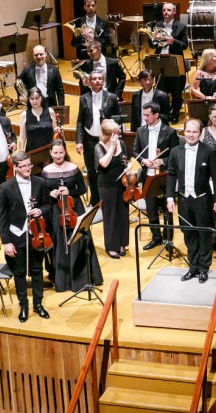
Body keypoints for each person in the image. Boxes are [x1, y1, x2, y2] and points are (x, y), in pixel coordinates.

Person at [166, 119, 216, 282]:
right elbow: (171, 175)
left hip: (202, 200)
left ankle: (204, 268)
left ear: (200, 133)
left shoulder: (209, 151)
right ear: (184, 132)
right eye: (188, 131)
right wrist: (170, 197)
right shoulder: (175, 151)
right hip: (184, 200)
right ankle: (193, 267)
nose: (191, 135)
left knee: (204, 234)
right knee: (189, 234)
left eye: (194, 132)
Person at [0, 151, 51, 321]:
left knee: (37, 269)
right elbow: (2, 217)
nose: (28, 169)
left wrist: (40, 210)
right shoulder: (6, 187)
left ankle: (38, 304)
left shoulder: (40, 182)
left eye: (29, 165)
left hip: (36, 233)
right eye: (24, 166)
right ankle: (23, 306)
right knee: (19, 272)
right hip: (16, 234)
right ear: (16, 167)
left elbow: (48, 205)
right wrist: (6, 242)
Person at [43, 140, 101, 292]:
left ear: (65, 152)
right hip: (56, 211)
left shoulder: (73, 169)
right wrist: (50, 193)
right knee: (59, 241)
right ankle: (62, 281)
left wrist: (70, 192)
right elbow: (42, 192)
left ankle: (81, 279)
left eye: (61, 152)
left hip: (74, 209)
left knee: (78, 240)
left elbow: (82, 189)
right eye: (55, 153)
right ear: (50, 153)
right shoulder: (46, 171)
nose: (58, 156)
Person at [136, 101, 180, 250]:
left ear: (156, 115)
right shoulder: (140, 131)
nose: (145, 118)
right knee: (151, 209)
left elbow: (176, 154)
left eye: (147, 115)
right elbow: (136, 151)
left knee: (167, 209)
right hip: (148, 176)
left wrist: (163, 161)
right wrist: (143, 160)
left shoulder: (170, 132)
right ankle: (156, 237)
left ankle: (168, 239)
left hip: (164, 176)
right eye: (143, 115)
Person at [75, 70, 122, 205]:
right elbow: (80, 121)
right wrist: (79, 141)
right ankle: (95, 199)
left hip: (106, 139)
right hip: (89, 140)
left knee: (107, 169)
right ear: (89, 82)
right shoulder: (83, 98)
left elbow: (118, 118)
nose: (97, 81)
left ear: (103, 81)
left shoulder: (111, 97)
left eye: (99, 78)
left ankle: (107, 198)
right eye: (94, 79)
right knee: (91, 171)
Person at [96, 119, 130, 258]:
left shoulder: (122, 144)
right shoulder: (99, 147)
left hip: (122, 184)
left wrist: (128, 167)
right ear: (107, 134)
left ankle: (122, 243)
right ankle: (111, 246)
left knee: (123, 214)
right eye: (114, 133)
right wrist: (112, 147)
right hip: (106, 185)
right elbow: (104, 163)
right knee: (110, 216)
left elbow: (125, 160)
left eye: (118, 133)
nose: (117, 136)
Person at [151, 2, 188, 122]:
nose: (166, 12)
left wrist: (173, 41)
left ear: (174, 12)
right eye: (164, 10)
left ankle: (175, 113)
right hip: (161, 61)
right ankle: (164, 114)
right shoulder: (157, 25)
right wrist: (154, 40)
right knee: (160, 90)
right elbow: (152, 45)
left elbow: (184, 45)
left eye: (169, 10)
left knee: (176, 91)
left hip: (175, 62)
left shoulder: (181, 26)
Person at [18, 43, 65, 107]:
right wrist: (24, 96)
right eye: (36, 55)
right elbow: (17, 83)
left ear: (46, 54)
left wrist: (61, 107)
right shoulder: (27, 70)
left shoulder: (54, 70)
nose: (39, 57)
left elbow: (60, 90)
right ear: (33, 56)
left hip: (50, 104)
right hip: (34, 104)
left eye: (41, 54)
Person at [18, 86, 57, 153]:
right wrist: (21, 152)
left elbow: (55, 130)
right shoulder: (24, 115)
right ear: (28, 100)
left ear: (41, 97)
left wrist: (57, 129)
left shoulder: (50, 111)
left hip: (49, 151)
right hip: (32, 152)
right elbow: (22, 137)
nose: (34, 101)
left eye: (37, 98)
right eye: (32, 99)